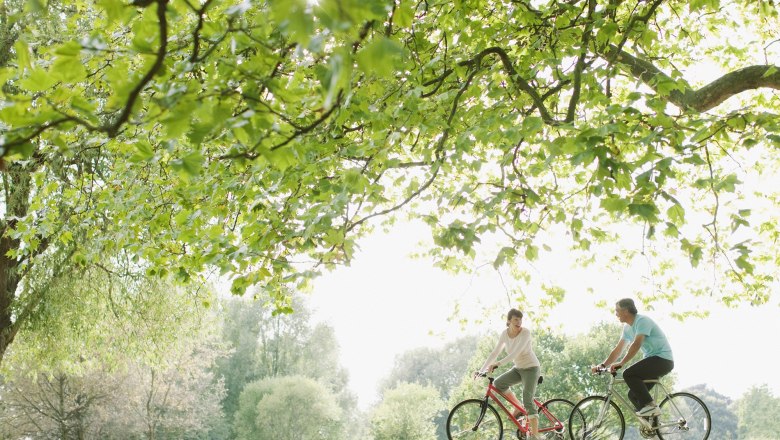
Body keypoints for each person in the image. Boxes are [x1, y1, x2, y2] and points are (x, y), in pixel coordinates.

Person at [593, 298, 674, 417]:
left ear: (626, 311)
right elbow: (618, 349)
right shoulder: (627, 328)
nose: (616, 314)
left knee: (628, 374)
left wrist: (622, 363)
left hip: (663, 360)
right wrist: (603, 365)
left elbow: (637, 343)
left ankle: (651, 406)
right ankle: (653, 424)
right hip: (652, 361)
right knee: (633, 395)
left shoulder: (642, 321)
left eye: (617, 311)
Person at [479, 308, 542, 438]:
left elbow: (516, 353)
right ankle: (518, 407)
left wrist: (498, 363)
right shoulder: (505, 334)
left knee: (528, 400)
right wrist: (481, 370)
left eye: (520, 319)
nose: (519, 322)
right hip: (519, 369)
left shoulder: (525, 333)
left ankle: (535, 436)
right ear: (509, 321)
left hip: (531, 368)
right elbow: (495, 352)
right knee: (498, 384)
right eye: (516, 320)